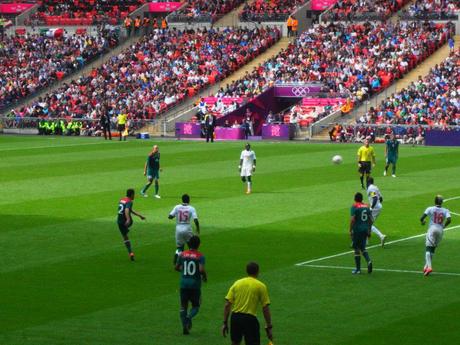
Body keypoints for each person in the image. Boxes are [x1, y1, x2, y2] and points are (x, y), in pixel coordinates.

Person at [222, 262, 273, 345]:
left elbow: (227, 304)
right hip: (250, 320)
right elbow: (265, 308)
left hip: (235, 318)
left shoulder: (237, 283)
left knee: (235, 343)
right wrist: (269, 326)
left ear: (246, 271)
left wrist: (225, 322)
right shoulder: (261, 286)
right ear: (258, 272)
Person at [175, 235, 207, 335]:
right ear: (198, 245)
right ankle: (189, 317)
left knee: (183, 306)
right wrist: (205, 276)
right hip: (195, 285)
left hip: (183, 284)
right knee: (196, 306)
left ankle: (184, 325)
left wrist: (184, 271)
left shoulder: (182, 254)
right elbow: (201, 270)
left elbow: (176, 267)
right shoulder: (200, 256)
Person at [420, 195, 451, 276]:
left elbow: (422, 218)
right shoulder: (445, 210)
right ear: (442, 202)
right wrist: (444, 226)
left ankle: (429, 267)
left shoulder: (430, 208)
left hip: (432, 229)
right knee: (432, 249)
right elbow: (449, 220)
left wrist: (423, 222)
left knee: (428, 248)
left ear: (435, 201)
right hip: (440, 230)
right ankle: (426, 267)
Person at [168, 194, 200, 265]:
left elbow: (170, 216)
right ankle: (192, 261)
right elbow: (195, 220)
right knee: (191, 246)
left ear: (182, 200)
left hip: (178, 228)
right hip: (187, 228)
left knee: (179, 247)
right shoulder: (191, 208)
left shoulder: (177, 207)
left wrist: (175, 215)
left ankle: (177, 258)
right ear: (189, 200)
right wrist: (198, 228)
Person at [117, 189, 146, 261]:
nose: (134, 196)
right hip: (125, 221)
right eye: (134, 194)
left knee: (125, 237)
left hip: (119, 221)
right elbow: (127, 210)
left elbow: (130, 210)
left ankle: (130, 253)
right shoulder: (129, 201)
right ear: (131, 194)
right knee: (129, 223)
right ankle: (127, 227)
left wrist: (140, 216)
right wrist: (128, 219)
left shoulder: (122, 199)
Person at [349, 192, 373, 274]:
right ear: (361, 199)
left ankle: (358, 269)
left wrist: (350, 230)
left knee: (356, 248)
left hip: (357, 230)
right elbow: (371, 220)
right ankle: (369, 261)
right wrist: (369, 230)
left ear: (355, 199)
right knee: (362, 247)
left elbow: (352, 220)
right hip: (365, 229)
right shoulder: (367, 206)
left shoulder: (354, 206)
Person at [367, 177, 386, 247]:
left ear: (367, 182)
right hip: (379, 207)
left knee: (367, 224)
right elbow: (381, 198)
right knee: (369, 224)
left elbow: (374, 198)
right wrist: (378, 204)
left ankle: (381, 236)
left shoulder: (370, 188)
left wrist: (371, 208)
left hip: (374, 208)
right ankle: (367, 241)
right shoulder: (376, 187)